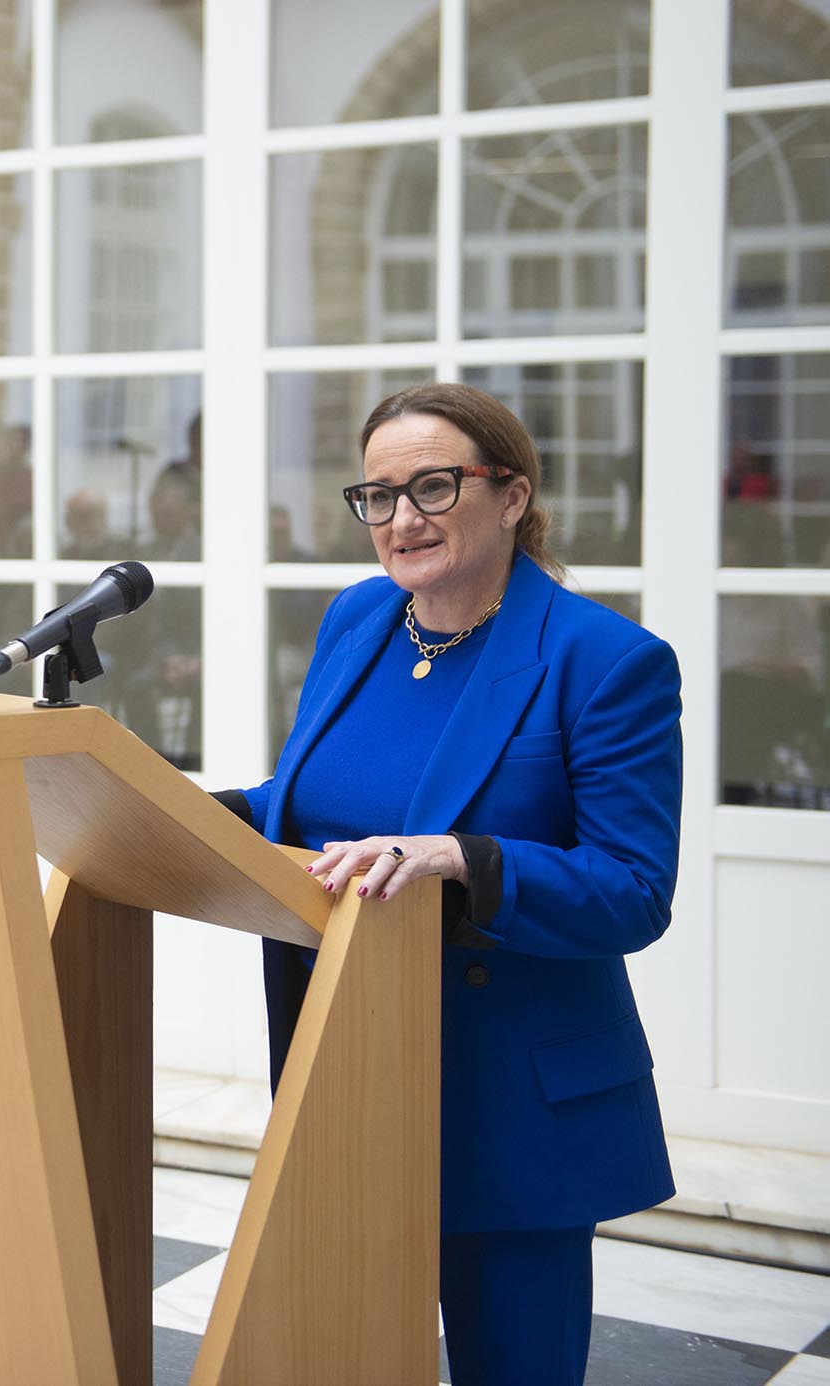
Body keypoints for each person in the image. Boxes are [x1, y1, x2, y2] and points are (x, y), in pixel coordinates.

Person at [213, 382, 682, 1386]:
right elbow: (318, 799)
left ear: (511, 495)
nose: (401, 520)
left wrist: (465, 858)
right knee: (345, 1354)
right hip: (349, 1068)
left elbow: (634, 888)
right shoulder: (361, 619)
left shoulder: (605, 662)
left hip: (507, 1100)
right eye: (377, 496)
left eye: (432, 486)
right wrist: (191, 810)